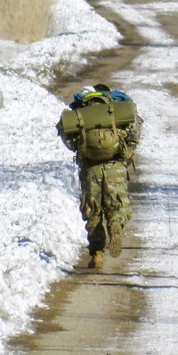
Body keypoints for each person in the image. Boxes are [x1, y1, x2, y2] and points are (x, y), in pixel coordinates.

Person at [57, 84, 142, 269]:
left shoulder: (80, 112)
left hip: (90, 169)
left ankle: (97, 253)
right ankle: (115, 223)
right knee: (117, 204)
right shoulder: (117, 110)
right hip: (116, 166)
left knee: (92, 211)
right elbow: (135, 132)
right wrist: (126, 151)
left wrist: (83, 148)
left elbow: (68, 138)